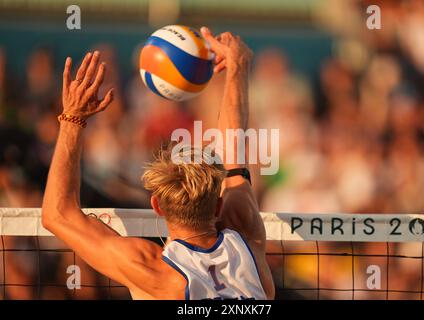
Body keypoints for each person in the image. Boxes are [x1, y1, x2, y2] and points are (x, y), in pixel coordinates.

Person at [42, 27, 275, 300]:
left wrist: (72, 117)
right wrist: (239, 65)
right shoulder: (246, 240)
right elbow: (233, 151)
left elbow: (57, 215)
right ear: (219, 205)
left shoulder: (154, 271)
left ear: (157, 206)